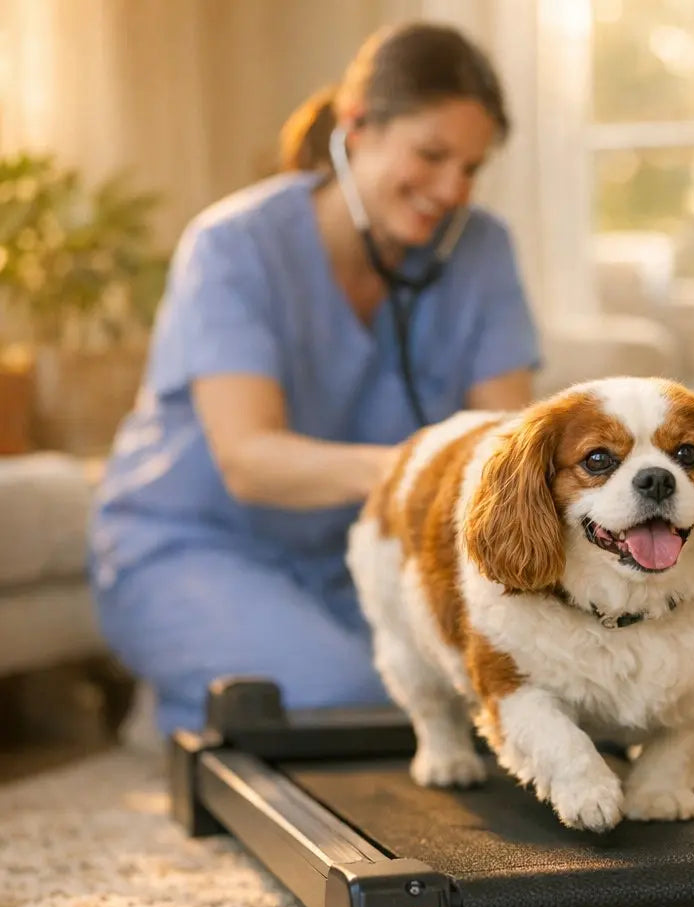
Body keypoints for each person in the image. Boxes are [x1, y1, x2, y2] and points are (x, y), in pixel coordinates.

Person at [88, 22, 540, 736]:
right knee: (352, 692)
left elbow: (509, 445)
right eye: (431, 155)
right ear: (357, 128)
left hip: (349, 562)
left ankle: (238, 693)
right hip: (191, 546)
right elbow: (248, 460)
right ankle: (183, 708)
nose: (452, 189)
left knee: (473, 687)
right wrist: (417, 470)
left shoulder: (481, 251)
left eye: (471, 168)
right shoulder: (233, 247)